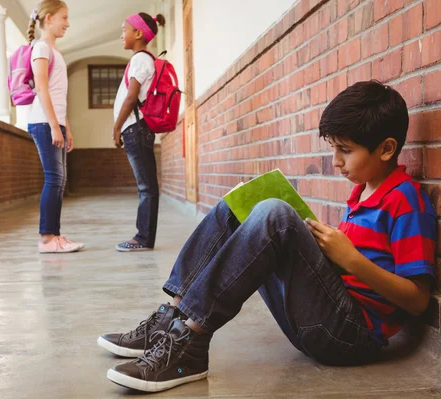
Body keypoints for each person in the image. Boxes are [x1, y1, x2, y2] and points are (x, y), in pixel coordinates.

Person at [98, 80, 438, 392]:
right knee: (246, 202)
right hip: (322, 319)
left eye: (345, 151)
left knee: (274, 215)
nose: (336, 162)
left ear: (386, 148)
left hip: (349, 336)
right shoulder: (362, 193)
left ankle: (191, 344)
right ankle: (169, 319)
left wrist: (350, 259)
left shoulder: (406, 201)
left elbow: (418, 300)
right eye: (334, 148)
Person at [27, 0, 83, 253]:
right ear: (48, 19)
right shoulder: (41, 47)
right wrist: (53, 126)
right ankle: (47, 239)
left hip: (53, 121)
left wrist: (65, 126)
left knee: (59, 181)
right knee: (53, 179)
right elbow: (41, 88)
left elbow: (58, 95)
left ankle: (55, 235)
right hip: (43, 121)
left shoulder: (53, 50)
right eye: (64, 17)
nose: (67, 24)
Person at [113, 12, 166, 252]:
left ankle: (143, 239)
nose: (121, 34)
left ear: (138, 33)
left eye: (124, 29)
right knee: (146, 186)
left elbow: (131, 96)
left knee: (147, 187)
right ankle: (143, 237)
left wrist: (117, 127)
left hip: (136, 129)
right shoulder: (141, 59)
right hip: (137, 129)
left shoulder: (140, 60)